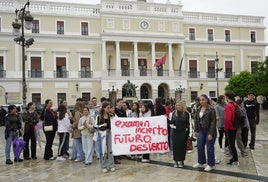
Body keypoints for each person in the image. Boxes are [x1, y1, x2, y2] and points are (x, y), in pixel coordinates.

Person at [193, 94, 217, 172]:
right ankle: (201, 162)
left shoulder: (211, 109)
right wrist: (196, 130)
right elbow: (196, 120)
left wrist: (210, 133)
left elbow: (213, 122)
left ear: (207, 100)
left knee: (209, 148)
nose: (201, 101)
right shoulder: (198, 108)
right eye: (200, 100)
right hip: (201, 130)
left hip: (209, 130)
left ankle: (211, 164)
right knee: (200, 147)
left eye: (203, 100)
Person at [96, 101, 115, 173]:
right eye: (108, 108)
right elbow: (95, 126)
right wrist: (102, 125)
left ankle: (111, 165)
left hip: (109, 133)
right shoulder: (99, 117)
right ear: (104, 108)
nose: (109, 109)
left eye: (110, 108)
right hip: (102, 134)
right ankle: (103, 166)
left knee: (110, 150)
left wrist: (113, 114)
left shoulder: (111, 116)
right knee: (103, 151)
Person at [170, 101, 190, 168]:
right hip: (175, 132)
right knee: (175, 147)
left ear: (182, 106)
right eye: (176, 105)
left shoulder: (186, 113)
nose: (177, 106)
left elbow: (189, 123)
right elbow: (171, 122)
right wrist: (166, 119)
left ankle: (181, 160)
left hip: (183, 133)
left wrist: (189, 134)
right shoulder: (173, 113)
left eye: (179, 105)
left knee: (182, 147)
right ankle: (175, 160)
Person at [224, 90, 239, 166]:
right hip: (235, 126)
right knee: (232, 144)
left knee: (231, 145)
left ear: (227, 97)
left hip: (230, 128)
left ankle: (235, 160)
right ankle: (234, 158)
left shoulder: (228, 106)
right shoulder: (236, 104)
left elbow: (228, 119)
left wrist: (226, 128)